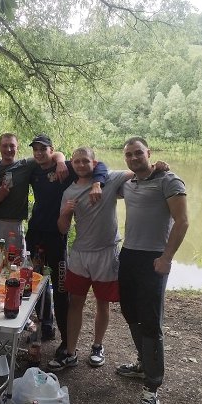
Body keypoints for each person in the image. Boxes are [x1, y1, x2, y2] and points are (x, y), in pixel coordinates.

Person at [117, 137, 188, 404]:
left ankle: (152, 387)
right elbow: (97, 173)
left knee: (150, 320)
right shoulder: (129, 183)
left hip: (154, 258)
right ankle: (143, 363)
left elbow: (182, 221)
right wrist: (96, 184)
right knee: (129, 312)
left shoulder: (169, 180)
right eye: (129, 155)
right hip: (129, 254)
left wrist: (167, 257)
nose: (134, 158)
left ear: (149, 153)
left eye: (138, 153)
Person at [47, 147, 131, 371]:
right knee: (75, 303)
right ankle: (70, 352)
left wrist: (158, 167)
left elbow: (135, 172)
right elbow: (62, 229)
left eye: (86, 161)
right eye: (77, 161)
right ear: (72, 163)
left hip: (106, 252)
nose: (81, 165)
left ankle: (97, 346)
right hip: (80, 254)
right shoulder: (69, 192)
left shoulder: (109, 180)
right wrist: (66, 213)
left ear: (94, 163)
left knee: (103, 303)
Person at [25, 135, 108, 348]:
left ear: (51, 150)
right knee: (36, 284)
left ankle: (66, 341)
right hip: (35, 235)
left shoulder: (69, 168)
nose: (39, 153)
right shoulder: (32, 168)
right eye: (35, 149)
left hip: (57, 237)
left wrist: (96, 183)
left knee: (62, 289)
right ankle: (45, 326)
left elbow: (100, 165)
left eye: (43, 149)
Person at [0, 133, 68, 250]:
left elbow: (52, 154)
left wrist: (61, 162)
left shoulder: (26, 165)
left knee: (15, 261)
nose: (8, 149)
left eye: (12, 146)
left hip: (16, 225)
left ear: (17, 147)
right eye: (5, 146)